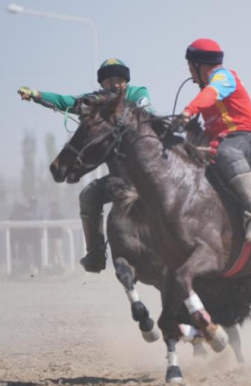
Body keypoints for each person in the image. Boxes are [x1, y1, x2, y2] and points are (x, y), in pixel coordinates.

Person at [17, 58, 155, 272]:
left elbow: (147, 115)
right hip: (119, 180)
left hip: (147, 175)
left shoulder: (138, 94)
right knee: (88, 196)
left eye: (119, 79)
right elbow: (67, 102)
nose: (115, 84)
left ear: (127, 82)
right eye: (109, 80)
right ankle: (96, 253)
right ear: (102, 84)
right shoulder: (96, 102)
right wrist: (37, 95)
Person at [178, 38, 251, 242]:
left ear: (198, 64)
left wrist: (188, 111)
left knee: (227, 152)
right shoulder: (205, 94)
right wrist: (192, 132)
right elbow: (209, 136)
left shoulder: (223, 77)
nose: (190, 73)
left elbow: (211, 93)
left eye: (190, 67)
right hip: (223, 143)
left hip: (247, 138)